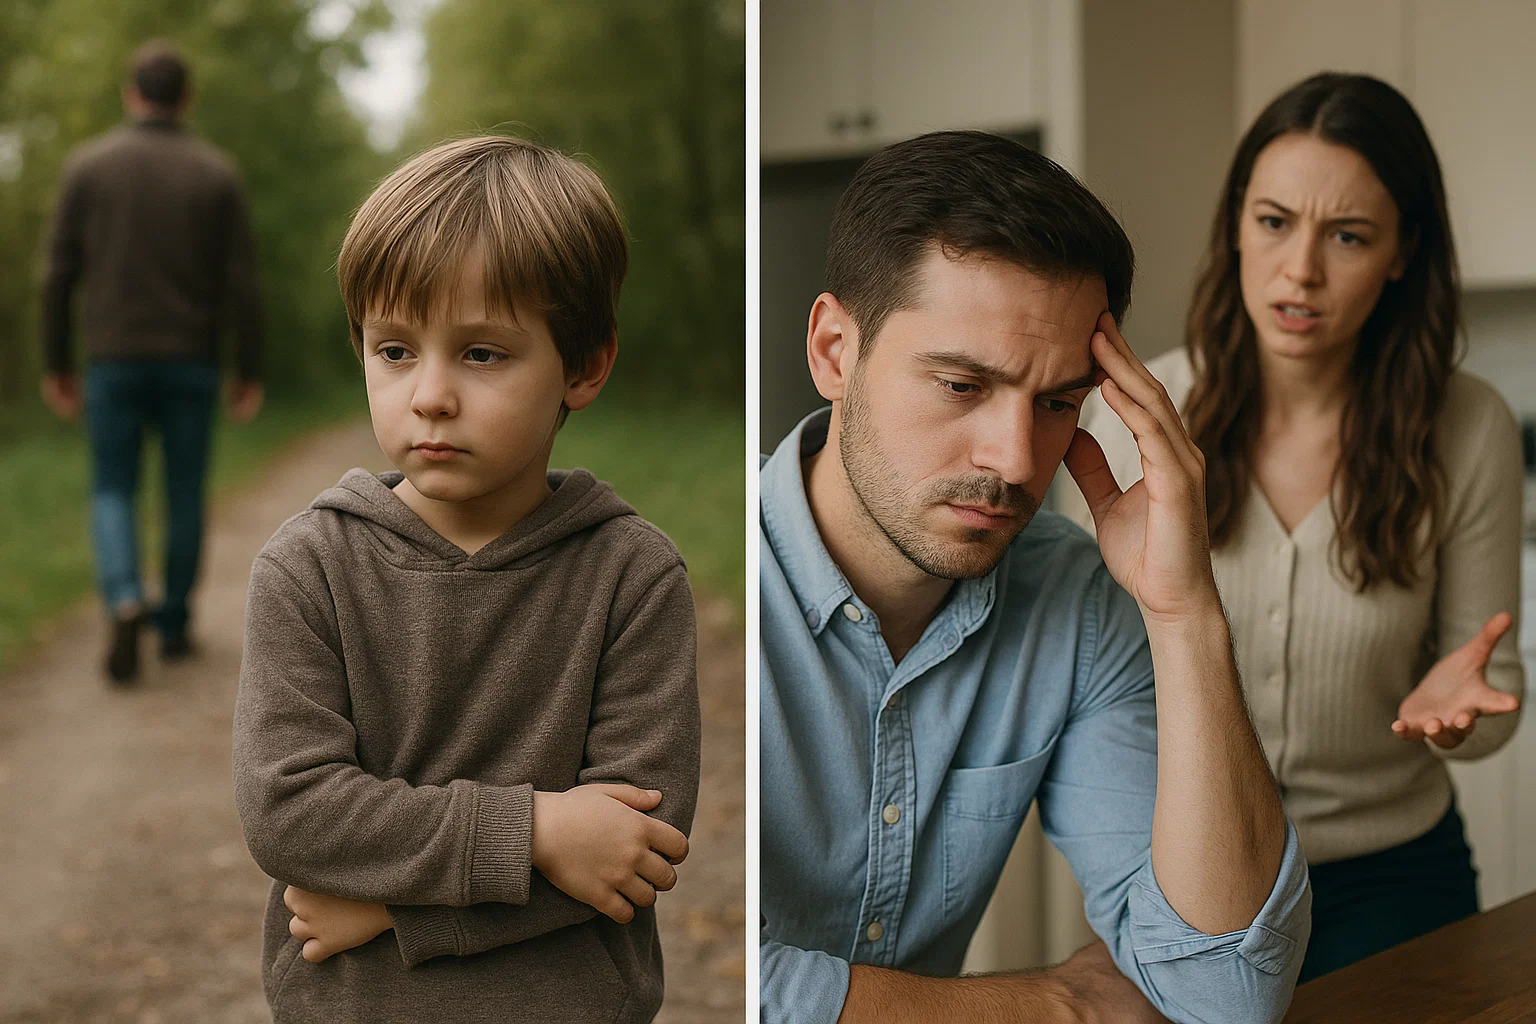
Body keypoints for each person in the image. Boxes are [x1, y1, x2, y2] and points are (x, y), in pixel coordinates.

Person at [759, 129, 1311, 1024]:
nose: (1017, 462)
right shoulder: (692, 586)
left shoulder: (1077, 601)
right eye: (960, 386)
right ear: (833, 351)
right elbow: (697, 974)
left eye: (1057, 402)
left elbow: (1228, 993)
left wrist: (1185, 613)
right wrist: (1059, 1005)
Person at [231, 136, 701, 1022]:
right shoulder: (309, 568)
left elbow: (633, 851)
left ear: (585, 366)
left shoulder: (632, 576)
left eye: (482, 353)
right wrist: (537, 832)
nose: (430, 395)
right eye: (396, 351)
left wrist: (393, 906)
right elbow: (290, 812)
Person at [1066, 73, 1525, 982]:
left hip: (1397, 876)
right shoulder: (1136, 415)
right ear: (1237, 222)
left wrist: (1457, 718)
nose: (1301, 270)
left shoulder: (1471, 429)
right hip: (1183, 875)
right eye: (1275, 222)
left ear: (1401, 254)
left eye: (1348, 236)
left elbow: (1491, 682)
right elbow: (1089, 675)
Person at [38, 40, 265, 682]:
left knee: (112, 485)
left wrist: (57, 361)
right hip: (191, 360)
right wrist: (249, 367)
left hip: (111, 358)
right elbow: (242, 282)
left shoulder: (88, 167)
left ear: (130, 94)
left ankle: (123, 595)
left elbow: (57, 274)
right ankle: (171, 627)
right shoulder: (216, 173)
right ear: (185, 98)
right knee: (185, 491)